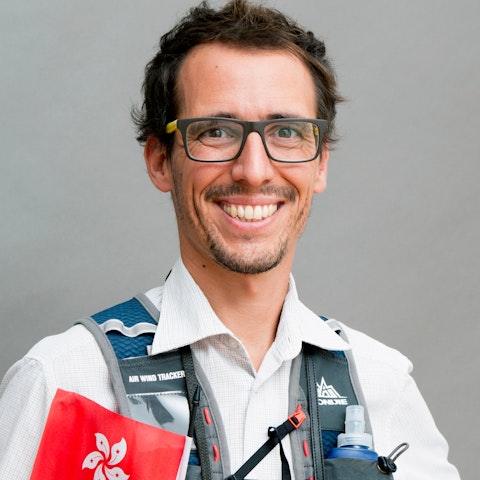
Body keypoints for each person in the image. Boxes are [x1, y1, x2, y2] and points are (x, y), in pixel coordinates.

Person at [0, 1, 460, 479]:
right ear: (160, 160)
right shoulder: (64, 382)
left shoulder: (384, 387)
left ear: (320, 163)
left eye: (287, 132)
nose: (254, 171)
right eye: (216, 131)